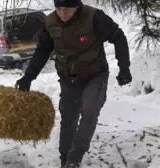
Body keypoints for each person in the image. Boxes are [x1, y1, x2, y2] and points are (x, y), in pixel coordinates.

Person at [15, 0, 132, 168]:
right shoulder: (50, 23)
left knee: (90, 111)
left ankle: (74, 158)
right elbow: (42, 51)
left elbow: (118, 36)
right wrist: (28, 77)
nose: (63, 13)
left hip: (95, 75)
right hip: (69, 79)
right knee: (68, 118)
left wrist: (124, 68)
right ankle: (65, 159)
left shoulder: (93, 17)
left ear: (77, 6)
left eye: (67, 9)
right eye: (59, 9)